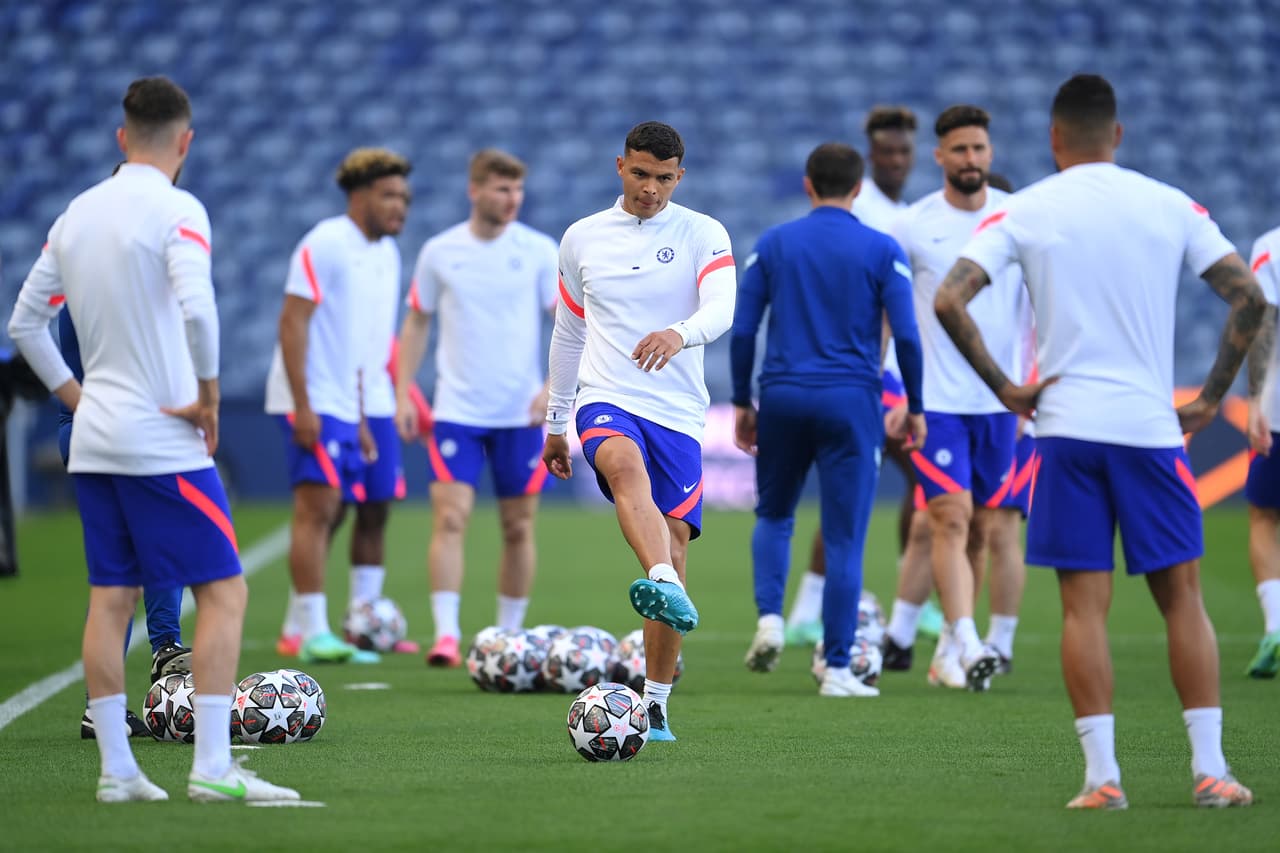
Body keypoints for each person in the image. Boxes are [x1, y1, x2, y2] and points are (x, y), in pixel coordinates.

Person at [935, 73, 1262, 808]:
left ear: (1054, 140)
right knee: (1183, 599)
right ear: (1117, 135)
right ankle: (1210, 770)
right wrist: (1210, 397)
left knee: (1084, 608)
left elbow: (949, 296)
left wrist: (1005, 389)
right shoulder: (1169, 203)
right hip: (1150, 429)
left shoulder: (1025, 209)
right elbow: (1249, 295)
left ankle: (1102, 779)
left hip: (1065, 431)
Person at [7, 76, 297, 802]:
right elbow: (198, 308)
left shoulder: (76, 214)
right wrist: (206, 393)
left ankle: (118, 771)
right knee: (224, 592)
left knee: (111, 597)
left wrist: (75, 395)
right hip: (159, 437)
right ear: (186, 141)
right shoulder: (177, 209)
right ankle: (211, 766)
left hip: (95, 435)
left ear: (121, 136)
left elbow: (23, 325)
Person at [542, 121, 735, 740]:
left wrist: (681, 332)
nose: (651, 188)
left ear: (681, 176)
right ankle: (659, 580)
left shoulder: (703, 232)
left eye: (665, 177)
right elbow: (569, 333)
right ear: (619, 166)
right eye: (641, 173)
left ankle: (654, 703)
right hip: (606, 396)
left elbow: (722, 308)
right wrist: (555, 420)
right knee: (624, 470)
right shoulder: (581, 239)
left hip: (678, 411)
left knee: (676, 542)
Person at [733, 142, 924, 697]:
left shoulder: (773, 244)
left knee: (774, 514)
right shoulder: (882, 248)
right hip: (851, 402)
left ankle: (770, 617)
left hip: (785, 395)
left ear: (808, 185)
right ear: (859, 188)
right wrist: (915, 405)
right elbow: (907, 335)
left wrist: (744, 402)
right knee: (844, 539)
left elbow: (744, 330)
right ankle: (837, 669)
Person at [395, 148, 558, 667]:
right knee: (450, 519)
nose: (512, 200)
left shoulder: (538, 251)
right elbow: (417, 321)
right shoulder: (441, 252)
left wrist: (555, 385)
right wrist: (402, 390)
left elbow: (571, 325)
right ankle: (445, 634)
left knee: (518, 526)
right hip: (457, 411)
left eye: (517, 190)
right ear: (474, 190)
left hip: (521, 414)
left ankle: (508, 637)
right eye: (501, 189)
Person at [785, 106, 941, 647]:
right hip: (867, 372)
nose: (896, 161)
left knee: (865, 486)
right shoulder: (873, 213)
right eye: (887, 153)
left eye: (904, 152)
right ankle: (907, 598)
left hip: (880, 370)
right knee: (910, 479)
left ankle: (820, 605)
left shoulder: (903, 210)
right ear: (869, 159)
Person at [887, 105, 1020, 690]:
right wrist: (893, 391)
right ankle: (967, 638)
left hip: (1000, 403)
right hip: (934, 400)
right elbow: (887, 319)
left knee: (985, 527)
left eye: (979, 149)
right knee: (949, 517)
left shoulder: (1017, 221)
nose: (971, 159)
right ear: (939, 156)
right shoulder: (913, 226)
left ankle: (947, 650)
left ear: (990, 153)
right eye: (959, 150)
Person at [266, 147, 411, 665]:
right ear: (359, 195)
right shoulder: (325, 243)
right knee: (319, 508)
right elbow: (292, 321)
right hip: (317, 397)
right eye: (390, 195)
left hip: (364, 401)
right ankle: (310, 631)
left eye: (404, 197)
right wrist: (303, 404)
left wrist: (382, 402)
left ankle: (361, 621)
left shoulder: (387, 253)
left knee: (374, 506)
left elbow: (374, 339)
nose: (401, 206)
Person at [57, 304, 192, 740]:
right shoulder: (124, 270)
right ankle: (164, 648)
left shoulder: (76, 261)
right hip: (127, 428)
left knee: (119, 569)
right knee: (163, 547)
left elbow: (26, 326)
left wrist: (77, 404)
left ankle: (103, 707)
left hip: (85, 428)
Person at [1243, 228, 1280, 677]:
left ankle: (1275, 626)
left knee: (1265, 516)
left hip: (1277, 407)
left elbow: (1263, 323)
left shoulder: (1271, 246)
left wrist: (1254, 399)